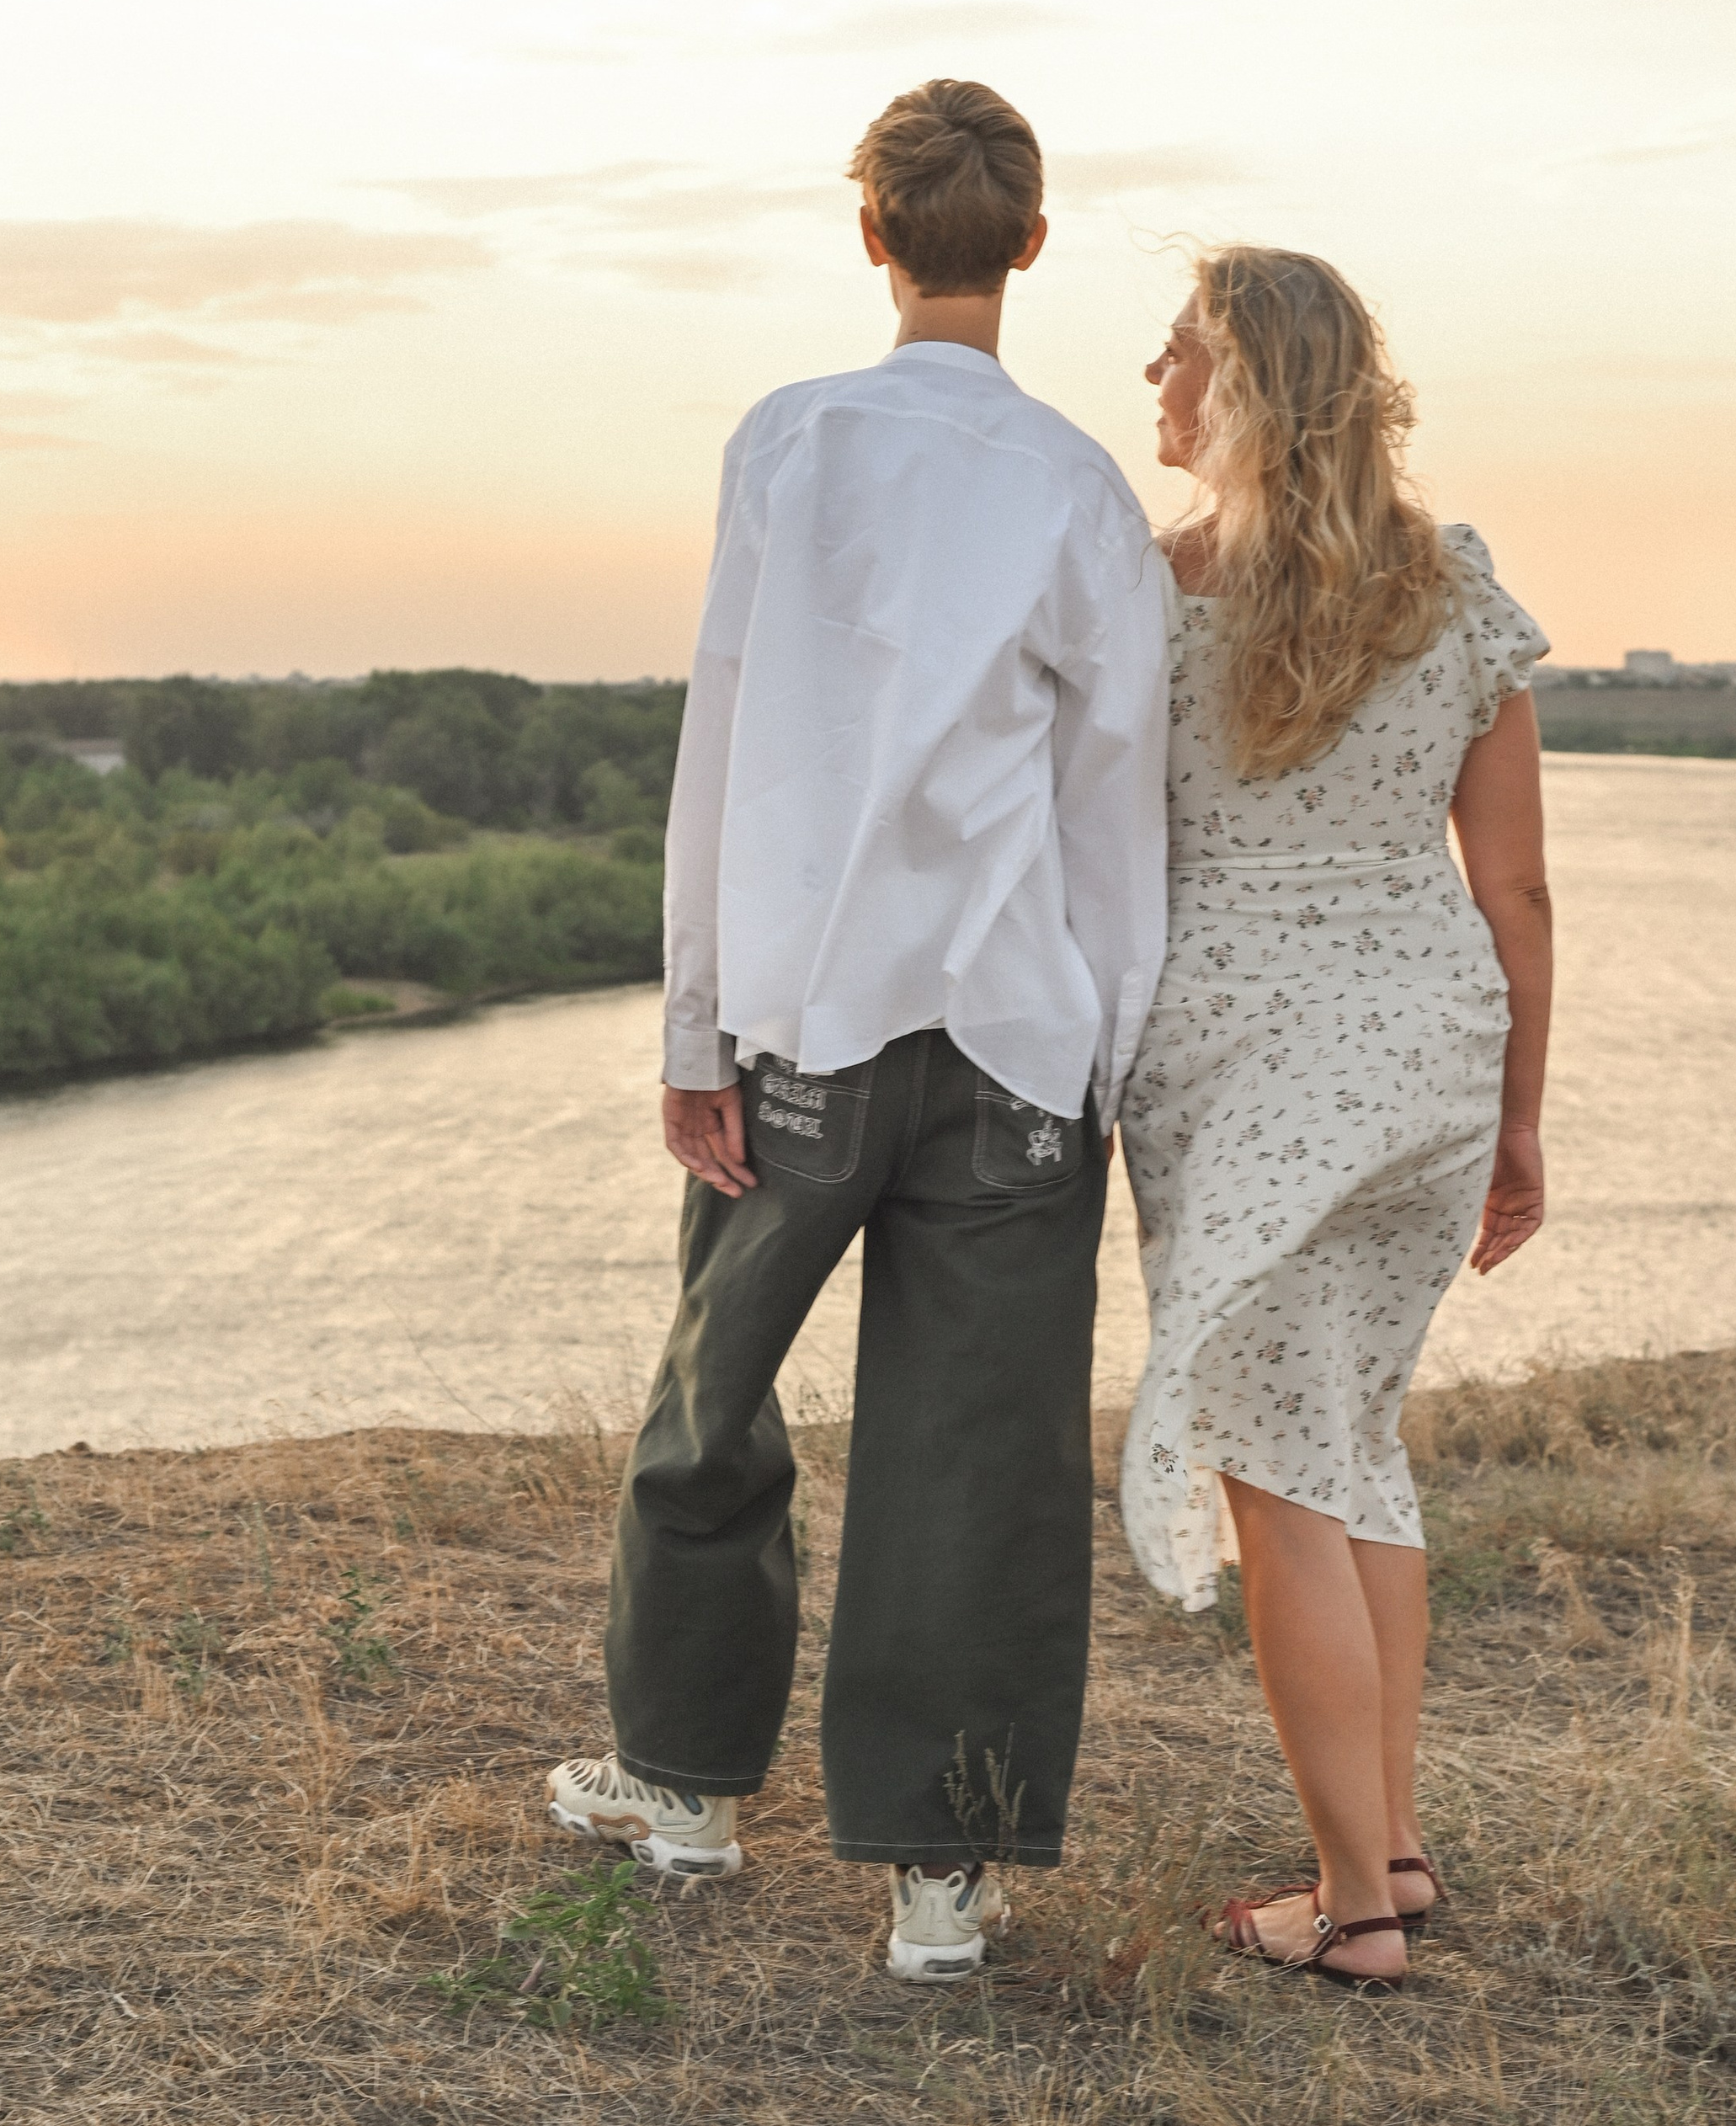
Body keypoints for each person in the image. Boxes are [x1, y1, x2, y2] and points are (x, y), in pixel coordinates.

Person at [545, 80, 1172, 1985]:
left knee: (709, 1407)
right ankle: (941, 1880)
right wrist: (1113, 1061)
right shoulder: (1078, 484)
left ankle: (680, 1788)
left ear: (872, 237)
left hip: (800, 1031)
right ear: (1033, 246)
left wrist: (690, 1025)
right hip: (1010, 1045)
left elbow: (720, 743)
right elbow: (1113, 798)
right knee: (975, 1460)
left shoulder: (789, 442)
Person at [1124, 246, 1552, 1990]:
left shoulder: (1153, 595)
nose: (1147, 378)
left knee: (1280, 1474)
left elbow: (1103, 858)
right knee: (1352, 1439)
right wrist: (1518, 1123)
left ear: (1234, 386)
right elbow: (1513, 888)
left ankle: (1352, 1911)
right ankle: (1388, 1842)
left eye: (1171, 354)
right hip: (1432, 1051)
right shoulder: (1453, 588)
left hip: (1238, 1062)